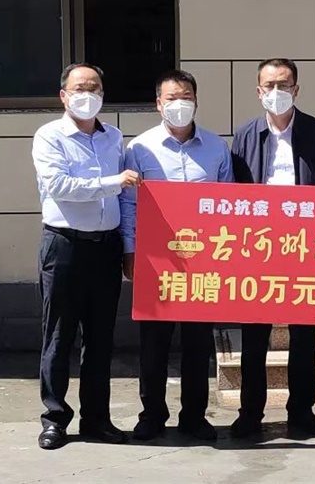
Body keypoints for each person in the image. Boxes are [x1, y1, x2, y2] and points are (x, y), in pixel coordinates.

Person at [32, 63, 142, 450]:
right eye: (79, 88)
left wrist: (127, 246)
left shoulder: (114, 137)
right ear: (63, 95)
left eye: (94, 88)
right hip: (64, 246)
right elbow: (60, 186)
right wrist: (114, 182)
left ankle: (97, 419)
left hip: (105, 247)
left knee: (100, 339)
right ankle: (55, 419)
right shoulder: (49, 136)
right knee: (59, 336)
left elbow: (125, 199)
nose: (87, 95)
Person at [120, 69, 233, 443]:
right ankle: (152, 415)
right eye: (172, 98)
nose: (179, 104)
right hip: (157, 260)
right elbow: (129, 204)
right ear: (158, 104)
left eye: (186, 97)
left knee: (198, 343)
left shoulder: (217, 148)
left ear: (196, 101)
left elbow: (228, 204)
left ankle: (194, 417)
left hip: (202, 261)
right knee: (154, 342)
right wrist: (130, 250)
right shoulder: (140, 149)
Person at [229, 58, 315, 439]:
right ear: (258, 91)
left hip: (303, 249)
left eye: (284, 84)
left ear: (297, 89)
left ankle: (301, 412)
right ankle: (250, 413)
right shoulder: (245, 135)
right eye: (270, 85)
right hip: (257, 250)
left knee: (303, 336)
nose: (277, 92)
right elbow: (234, 196)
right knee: (254, 337)